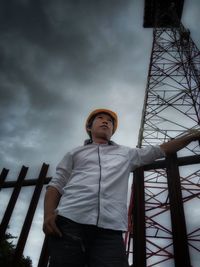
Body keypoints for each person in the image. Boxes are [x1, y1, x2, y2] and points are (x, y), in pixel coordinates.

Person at [43, 108, 200, 267]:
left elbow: (161, 150)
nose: (105, 121)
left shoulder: (126, 153)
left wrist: (192, 136)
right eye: (100, 118)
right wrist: (48, 214)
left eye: (110, 121)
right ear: (89, 128)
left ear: (112, 131)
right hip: (70, 222)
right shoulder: (74, 153)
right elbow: (56, 184)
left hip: (110, 229)